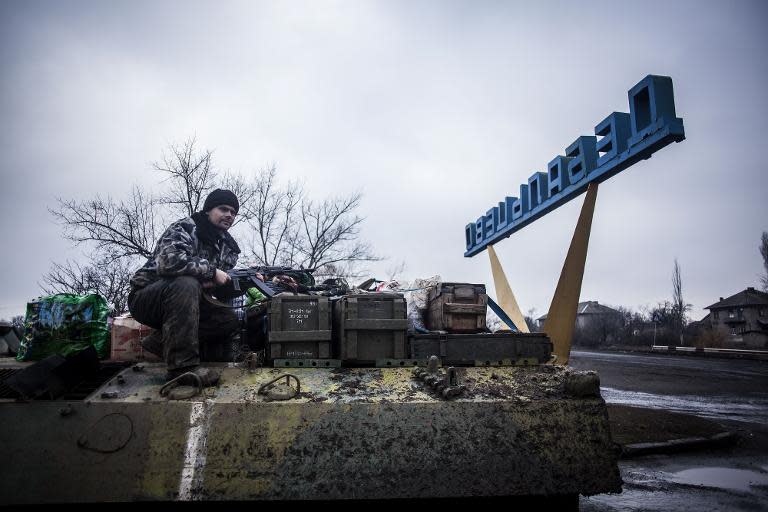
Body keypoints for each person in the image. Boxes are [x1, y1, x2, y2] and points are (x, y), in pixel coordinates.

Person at [128, 189, 242, 385]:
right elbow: (169, 262)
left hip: (188, 301)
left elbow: (213, 286)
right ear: (208, 210)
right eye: (223, 209)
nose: (229, 215)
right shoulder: (185, 227)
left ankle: (161, 341)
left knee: (227, 319)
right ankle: (183, 367)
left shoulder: (228, 248)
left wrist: (251, 281)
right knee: (186, 282)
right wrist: (212, 272)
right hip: (148, 297)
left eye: (233, 212)